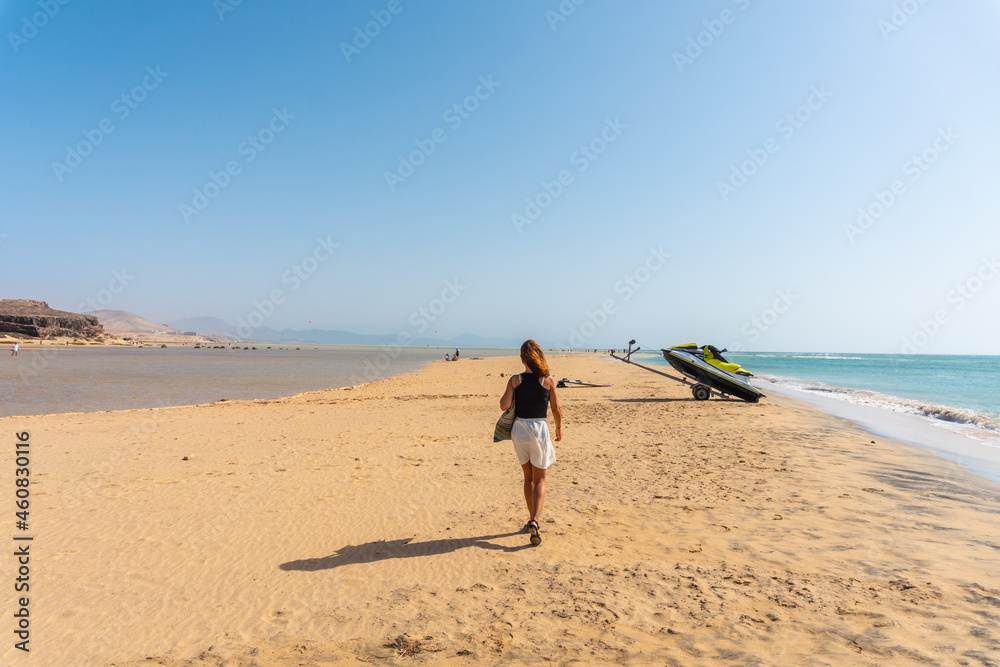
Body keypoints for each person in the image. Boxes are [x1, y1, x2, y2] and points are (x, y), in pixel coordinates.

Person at [499, 340, 562, 546]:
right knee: (541, 480)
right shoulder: (548, 381)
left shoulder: (515, 380)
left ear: (522, 359)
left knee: (528, 478)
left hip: (519, 430)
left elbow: (504, 405)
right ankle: (535, 520)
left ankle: (531, 519)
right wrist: (559, 428)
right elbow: (555, 409)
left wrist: (512, 388)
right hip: (539, 430)